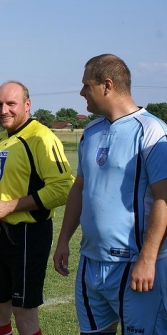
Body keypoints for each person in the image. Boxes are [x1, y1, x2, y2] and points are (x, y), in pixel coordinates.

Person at [53, 54, 167, 334]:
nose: (81, 92)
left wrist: (148, 259)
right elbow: (79, 188)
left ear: (107, 85)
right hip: (90, 262)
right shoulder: (90, 131)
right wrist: (64, 240)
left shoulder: (151, 131)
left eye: (86, 86)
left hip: (135, 267)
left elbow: (164, 200)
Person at [0, 81, 74, 335]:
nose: (3, 110)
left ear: (27, 105)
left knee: (24, 312)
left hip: (29, 235)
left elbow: (64, 188)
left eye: (11, 104)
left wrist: (9, 206)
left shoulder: (41, 137)